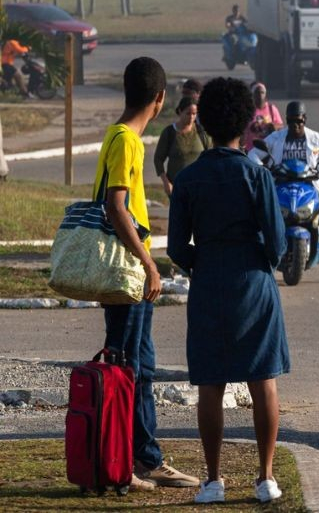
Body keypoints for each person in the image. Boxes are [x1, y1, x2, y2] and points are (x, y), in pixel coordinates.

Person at [167, 78, 289, 505]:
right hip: (254, 282)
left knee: (211, 385)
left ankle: (214, 479)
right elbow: (277, 243)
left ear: (207, 125)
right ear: (245, 123)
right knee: (263, 382)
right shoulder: (257, 176)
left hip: (209, 283)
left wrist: (204, 262)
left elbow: (179, 248)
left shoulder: (188, 180)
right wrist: (257, 262)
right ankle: (266, 477)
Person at [95, 57, 200, 491]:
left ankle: (144, 457)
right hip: (128, 272)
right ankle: (122, 464)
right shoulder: (127, 141)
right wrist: (148, 262)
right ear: (159, 100)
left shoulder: (122, 137)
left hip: (129, 272)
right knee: (125, 369)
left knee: (140, 366)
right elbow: (116, 206)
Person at [250, 101, 319, 282]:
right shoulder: (276, 138)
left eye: (299, 121)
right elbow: (254, 154)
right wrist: (262, 169)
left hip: (310, 189)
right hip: (280, 188)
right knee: (262, 222)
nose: (295, 125)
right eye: (291, 121)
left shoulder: (316, 138)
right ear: (286, 120)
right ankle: (257, 263)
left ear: (305, 120)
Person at [154, 96, 211, 197]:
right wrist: (166, 182)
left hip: (199, 187)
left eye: (194, 114)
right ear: (180, 111)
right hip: (177, 188)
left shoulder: (201, 132)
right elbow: (158, 159)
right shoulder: (169, 133)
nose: (191, 117)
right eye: (188, 113)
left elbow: (211, 157)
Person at [242, 81, 283, 151]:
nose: (260, 95)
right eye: (257, 93)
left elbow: (281, 126)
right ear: (252, 94)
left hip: (269, 149)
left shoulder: (272, 109)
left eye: (262, 92)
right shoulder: (247, 109)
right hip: (251, 149)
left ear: (265, 94)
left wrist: (273, 126)